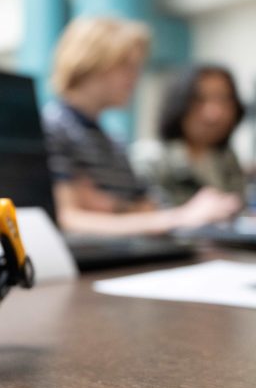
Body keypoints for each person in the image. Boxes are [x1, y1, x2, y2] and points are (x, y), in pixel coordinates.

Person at [42, 16, 241, 236]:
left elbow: (150, 207)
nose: (134, 78)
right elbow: (67, 219)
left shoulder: (112, 141)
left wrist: (112, 206)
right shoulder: (53, 128)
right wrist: (181, 217)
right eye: (125, 66)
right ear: (90, 62)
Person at [132, 65, 246, 207]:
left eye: (224, 100)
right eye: (200, 100)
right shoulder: (150, 158)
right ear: (180, 103)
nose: (214, 114)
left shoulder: (226, 159)